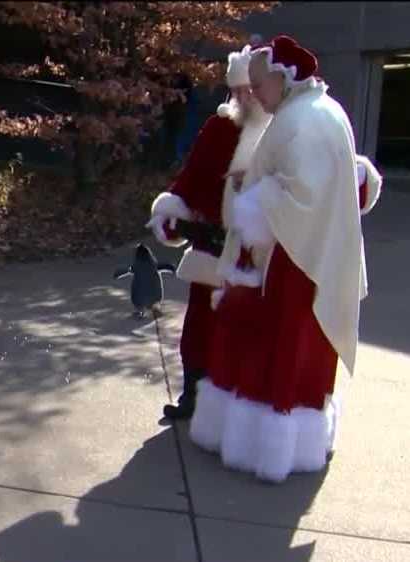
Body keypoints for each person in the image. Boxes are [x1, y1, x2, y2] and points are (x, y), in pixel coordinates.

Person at [189, 35, 382, 483]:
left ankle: (266, 449)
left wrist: (250, 202)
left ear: (282, 76)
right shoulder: (316, 112)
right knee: (297, 358)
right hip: (305, 261)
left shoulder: (303, 120)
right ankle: (282, 444)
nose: (252, 93)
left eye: (257, 84)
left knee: (274, 355)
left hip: (291, 268)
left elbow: (301, 196)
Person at [146, 44, 272, 420]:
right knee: (200, 326)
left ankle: (239, 400)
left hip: (259, 254)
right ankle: (193, 395)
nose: (241, 98)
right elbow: (191, 179)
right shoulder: (218, 128)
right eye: (235, 91)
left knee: (247, 330)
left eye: (249, 90)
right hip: (213, 249)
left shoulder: (283, 132)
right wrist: (172, 209)